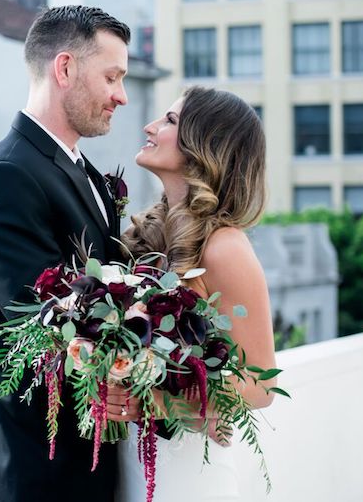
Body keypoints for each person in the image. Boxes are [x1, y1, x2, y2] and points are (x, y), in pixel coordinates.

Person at [0, 5, 131, 502]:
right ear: (66, 68)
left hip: (85, 462)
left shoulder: (82, 170)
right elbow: (42, 328)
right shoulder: (7, 177)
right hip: (36, 469)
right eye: (112, 77)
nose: (121, 95)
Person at [109, 86, 278, 501]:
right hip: (127, 464)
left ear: (205, 145)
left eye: (169, 121)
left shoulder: (224, 247)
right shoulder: (145, 236)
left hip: (186, 476)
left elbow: (260, 384)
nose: (150, 126)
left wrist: (157, 403)